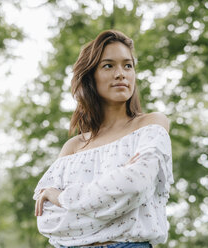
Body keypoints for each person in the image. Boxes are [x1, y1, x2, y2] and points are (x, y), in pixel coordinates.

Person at [33, 30, 174, 248]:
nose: (121, 74)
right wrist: (113, 191)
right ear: (91, 76)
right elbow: (47, 220)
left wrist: (63, 198)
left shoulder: (151, 124)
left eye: (128, 65)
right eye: (108, 65)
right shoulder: (74, 146)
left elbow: (134, 185)